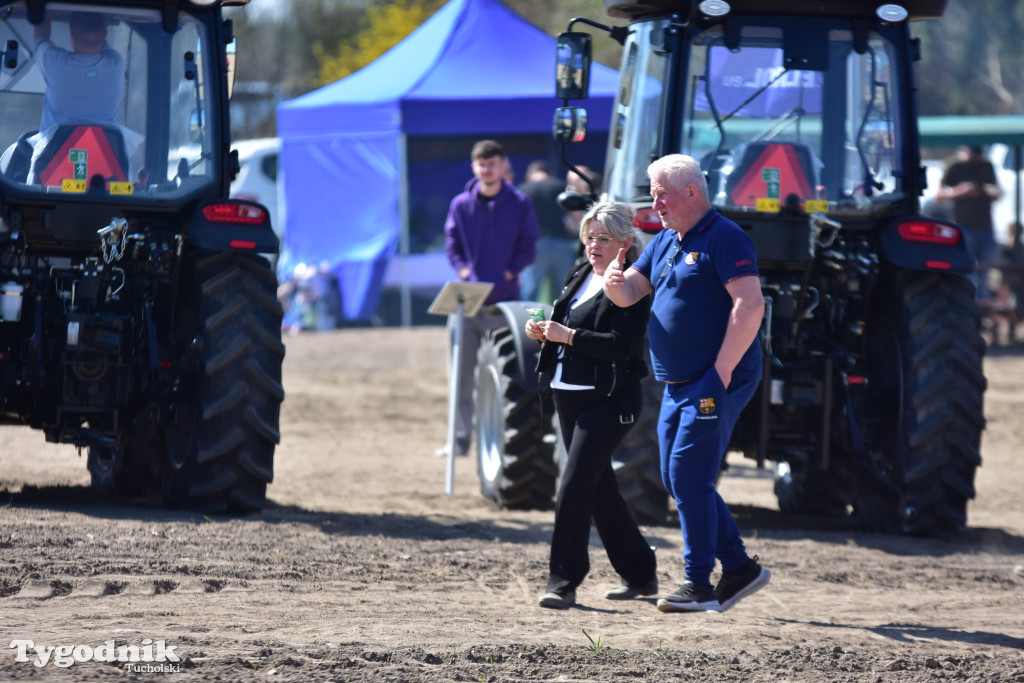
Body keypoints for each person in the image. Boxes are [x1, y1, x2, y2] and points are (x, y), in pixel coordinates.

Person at [604, 154, 770, 613]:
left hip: (715, 378)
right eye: (653, 192)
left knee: (688, 476)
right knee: (674, 477)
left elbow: (749, 306)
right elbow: (630, 294)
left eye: (661, 194)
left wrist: (719, 375)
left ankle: (698, 583)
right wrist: (612, 281)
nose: (654, 202)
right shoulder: (664, 241)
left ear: (692, 192)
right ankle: (739, 567)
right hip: (679, 383)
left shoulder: (725, 236)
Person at [525, 201, 656, 609]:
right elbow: (568, 326)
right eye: (590, 237)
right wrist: (545, 331)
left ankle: (562, 581)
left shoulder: (631, 283)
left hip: (611, 400)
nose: (594, 245)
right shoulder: (580, 272)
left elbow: (621, 346)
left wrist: (567, 337)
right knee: (600, 489)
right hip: (568, 394)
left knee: (575, 483)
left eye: (604, 238)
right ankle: (640, 571)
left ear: (626, 242)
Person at [441, 140, 540, 457]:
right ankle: (459, 441)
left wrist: (511, 272)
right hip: (468, 300)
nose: (487, 169)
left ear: (502, 166)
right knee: (460, 374)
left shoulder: (520, 202)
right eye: (481, 165)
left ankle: (502, 442)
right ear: (474, 168)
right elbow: (451, 243)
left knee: (506, 376)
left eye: (492, 164)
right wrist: (463, 270)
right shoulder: (460, 204)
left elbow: (530, 245)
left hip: (505, 303)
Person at [34, 12, 125, 133]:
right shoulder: (115, 62)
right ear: (106, 34)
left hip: (55, 149)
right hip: (100, 148)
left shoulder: (54, 62)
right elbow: (40, 36)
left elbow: (41, 38)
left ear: (72, 38)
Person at [938, 145, 1003, 298]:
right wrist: (961, 192)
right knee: (965, 270)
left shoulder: (986, 165)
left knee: (985, 271)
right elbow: (938, 197)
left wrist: (985, 191)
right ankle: (965, 301)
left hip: (986, 227)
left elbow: (998, 193)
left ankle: (982, 306)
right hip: (964, 228)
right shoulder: (955, 165)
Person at [519, 160, 577, 302]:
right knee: (565, 291)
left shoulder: (522, 189)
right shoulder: (560, 186)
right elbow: (575, 216)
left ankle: (527, 322)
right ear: (549, 174)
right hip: (562, 243)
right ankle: (563, 322)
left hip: (534, 246)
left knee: (530, 292)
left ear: (529, 175)